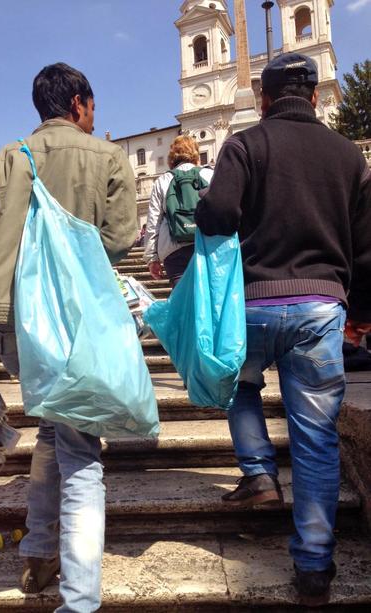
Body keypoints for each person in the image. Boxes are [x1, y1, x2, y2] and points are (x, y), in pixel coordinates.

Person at [0, 62, 138, 612]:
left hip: (13, 321)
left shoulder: (2, 159)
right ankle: (80, 599)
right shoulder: (107, 156)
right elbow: (122, 237)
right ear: (79, 104)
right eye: (93, 107)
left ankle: (37, 550)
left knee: (56, 433)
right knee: (82, 451)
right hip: (77, 318)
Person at [195, 52, 371, 606]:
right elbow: (366, 250)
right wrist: (360, 314)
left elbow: (218, 211)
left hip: (253, 307)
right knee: (316, 436)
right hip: (321, 310)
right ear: (315, 98)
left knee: (240, 385)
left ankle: (258, 473)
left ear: (264, 99)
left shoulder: (246, 144)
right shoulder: (349, 156)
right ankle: (315, 565)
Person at [144, 135, 213, 286]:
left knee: (183, 302)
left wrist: (152, 258)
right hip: (206, 246)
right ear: (195, 153)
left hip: (174, 251)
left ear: (172, 156)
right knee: (209, 299)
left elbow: (153, 223)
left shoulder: (162, 181)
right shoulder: (209, 175)